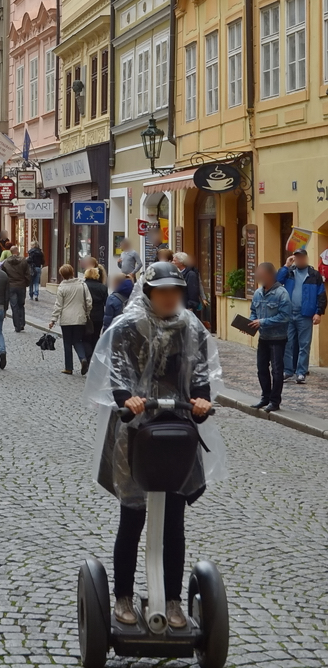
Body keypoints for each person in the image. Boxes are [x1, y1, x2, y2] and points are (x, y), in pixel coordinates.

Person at [84, 260, 221, 630]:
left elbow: (200, 373)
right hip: (136, 430)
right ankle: (124, 596)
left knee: (174, 520)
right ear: (147, 293)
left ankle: (174, 600)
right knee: (133, 516)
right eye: (162, 292)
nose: (169, 298)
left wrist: (203, 400)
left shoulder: (191, 328)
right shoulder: (127, 327)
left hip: (177, 428)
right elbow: (116, 371)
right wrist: (126, 397)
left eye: (175, 292)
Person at [278, 248, 327, 384]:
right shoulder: (289, 273)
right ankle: (288, 371)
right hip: (288, 313)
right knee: (288, 343)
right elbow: (276, 282)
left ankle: (301, 372)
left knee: (304, 344)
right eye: (296, 258)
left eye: (301, 258)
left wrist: (318, 312)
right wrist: (286, 265)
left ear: (306, 258)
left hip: (305, 314)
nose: (299, 260)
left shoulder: (314, 275)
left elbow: (321, 295)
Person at [248, 261, 292, 412]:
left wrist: (262, 322)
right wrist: (251, 322)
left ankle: (275, 401)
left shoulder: (282, 294)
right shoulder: (257, 293)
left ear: (270, 275)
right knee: (261, 369)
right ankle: (265, 397)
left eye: (261, 274)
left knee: (277, 371)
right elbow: (253, 310)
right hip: (264, 338)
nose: (258, 276)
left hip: (277, 338)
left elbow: (285, 317)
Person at [48, 264, 92, 375]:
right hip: (80, 317)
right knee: (78, 340)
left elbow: (58, 305)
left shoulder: (62, 287)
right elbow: (89, 302)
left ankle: (69, 367)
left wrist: (53, 319)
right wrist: (86, 313)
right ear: (72, 272)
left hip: (66, 319)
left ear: (62, 275)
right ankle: (83, 359)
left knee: (67, 343)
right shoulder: (82, 285)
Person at [1, 247, 31, 333]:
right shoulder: (23, 261)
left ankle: (17, 325)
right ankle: (22, 324)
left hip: (11, 286)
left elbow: (4, 275)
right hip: (21, 285)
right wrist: (27, 283)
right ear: (17, 251)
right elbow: (27, 274)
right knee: (21, 304)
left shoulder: (6, 262)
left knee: (14, 306)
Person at [84, 265, 109, 346]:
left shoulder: (84, 286)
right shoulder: (102, 287)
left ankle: (88, 356)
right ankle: (94, 355)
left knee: (86, 337)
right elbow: (106, 302)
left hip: (87, 315)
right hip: (99, 316)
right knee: (96, 336)